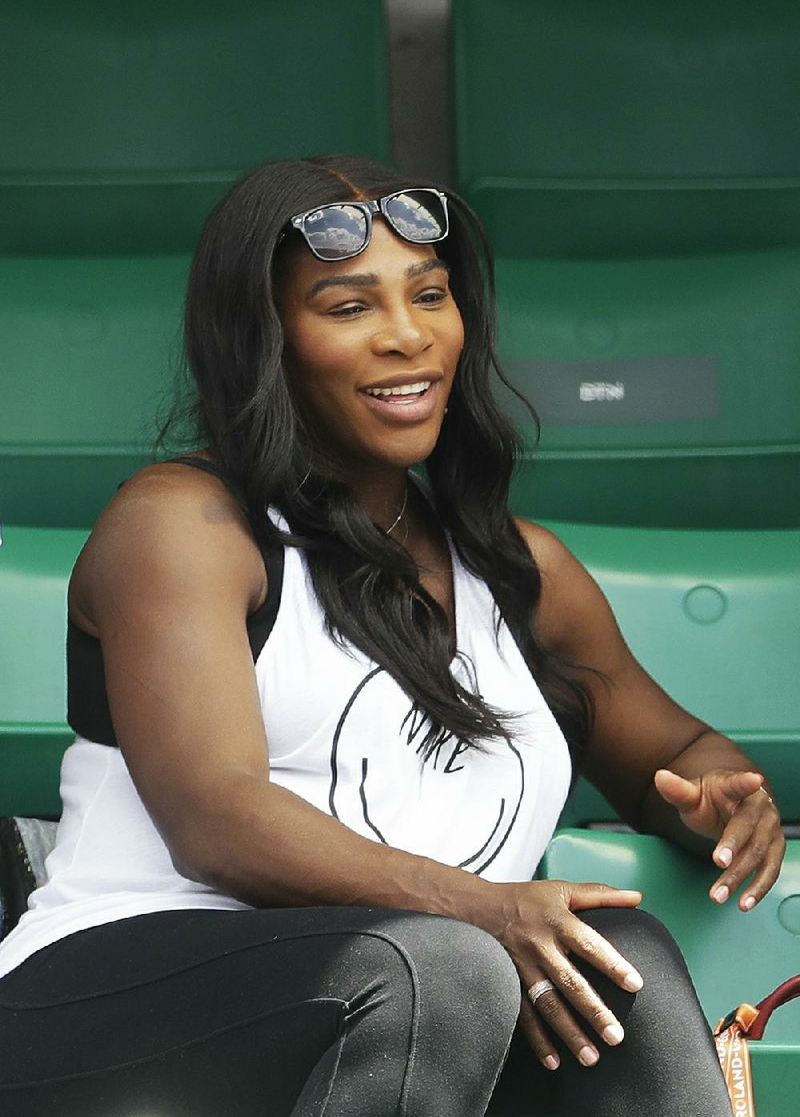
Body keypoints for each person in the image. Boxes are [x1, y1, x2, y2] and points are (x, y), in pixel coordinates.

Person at [0, 154, 785, 1117]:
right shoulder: (185, 527)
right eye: (347, 307)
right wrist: (483, 906)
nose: (407, 336)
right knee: (439, 967)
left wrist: (718, 801)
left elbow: (672, 754)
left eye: (431, 295)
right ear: (265, 340)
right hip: (106, 999)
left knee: (621, 963)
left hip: (420, 999)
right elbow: (216, 822)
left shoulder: (520, 572)